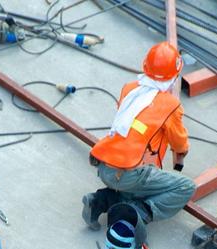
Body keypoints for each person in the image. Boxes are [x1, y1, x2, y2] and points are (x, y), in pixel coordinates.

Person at [82, 41, 195, 230]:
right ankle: (136, 213)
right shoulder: (170, 105)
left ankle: (99, 201)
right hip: (128, 174)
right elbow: (179, 143)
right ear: (175, 76)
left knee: (137, 182)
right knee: (185, 187)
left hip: (103, 165)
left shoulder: (130, 89)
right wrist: (181, 154)